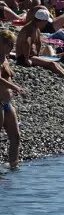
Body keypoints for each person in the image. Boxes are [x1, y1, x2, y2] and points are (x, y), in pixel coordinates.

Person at [0, 29, 24, 169]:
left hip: (7, 103)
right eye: (9, 44)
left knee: (15, 137)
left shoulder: (5, 58)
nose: (12, 47)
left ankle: (13, 166)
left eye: (12, 44)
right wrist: (15, 87)